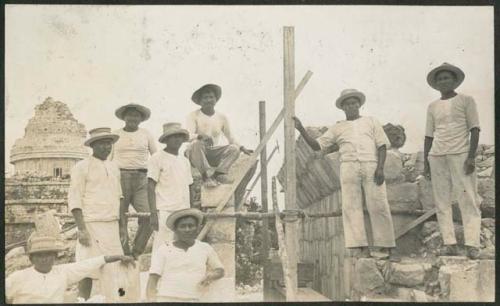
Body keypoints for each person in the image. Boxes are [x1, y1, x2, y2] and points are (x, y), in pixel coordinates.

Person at [293, 89, 400, 261]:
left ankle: (387, 246)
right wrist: (301, 129)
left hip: (371, 165)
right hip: (348, 167)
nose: (351, 106)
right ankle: (360, 247)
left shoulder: (371, 122)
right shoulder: (338, 127)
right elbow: (316, 145)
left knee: (379, 204)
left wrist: (380, 168)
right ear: (343, 108)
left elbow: (381, 146)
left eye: (354, 103)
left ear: (359, 104)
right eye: (347, 104)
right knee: (351, 206)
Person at [423, 63, 482, 259]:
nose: (443, 82)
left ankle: (472, 244)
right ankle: (449, 243)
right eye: (440, 79)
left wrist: (471, 156)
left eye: (447, 78)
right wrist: (426, 161)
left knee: (468, 198)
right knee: (441, 201)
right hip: (437, 155)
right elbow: (429, 136)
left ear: (454, 80)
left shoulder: (466, 100)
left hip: (461, 153)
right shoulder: (432, 106)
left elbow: (474, 129)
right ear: (436, 84)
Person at [68, 127, 127, 302]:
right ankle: (82, 301)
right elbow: (75, 199)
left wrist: (122, 227)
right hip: (91, 224)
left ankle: (117, 300)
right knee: (87, 269)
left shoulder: (114, 167)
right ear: (93, 145)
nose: (106, 147)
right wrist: (82, 229)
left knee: (115, 268)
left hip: (112, 224)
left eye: (109, 143)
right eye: (102, 143)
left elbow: (120, 198)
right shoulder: (81, 167)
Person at [6, 232, 134, 304]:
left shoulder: (62, 272)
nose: (44, 259)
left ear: (55, 257)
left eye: (48, 255)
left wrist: (119, 257)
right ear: (31, 259)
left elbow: (90, 263)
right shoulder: (18, 277)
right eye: (39, 256)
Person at [146, 208, 225, 302]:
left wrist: (210, 276)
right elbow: (152, 281)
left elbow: (220, 270)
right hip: (167, 298)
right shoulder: (164, 249)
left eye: (191, 226)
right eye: (182, 226)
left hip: (195, 299)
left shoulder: (205, 248)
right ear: (175, 229)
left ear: (197, 228)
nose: (187, 229)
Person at [111, 103, 157, 259]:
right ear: (124, 117)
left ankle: (136, 251)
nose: (132, 118)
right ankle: (124, 254)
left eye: (136, 115)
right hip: (120, 177)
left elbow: (155, 157)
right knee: (119, 218)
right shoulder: (116, 134)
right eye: (129, 115)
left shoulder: (146, 134)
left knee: (149, 215)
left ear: (141, 119)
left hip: (142, 178)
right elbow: (109, 159)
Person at [185, 84, 253, 188]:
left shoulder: (222, 117)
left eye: (211, 97)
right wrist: (200, 136)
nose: (208, 100)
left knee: (234, 149)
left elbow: (231, 137)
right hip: (196, 153)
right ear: (200, 101)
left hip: (212, 153)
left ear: (216, 100)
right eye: (205, 98)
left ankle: (218, 174)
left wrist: (242, 148)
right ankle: (206, 176)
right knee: (195, 144)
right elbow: (187, 135)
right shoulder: (193, 115)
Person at [148, 123, 194, 252]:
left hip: (183, 210)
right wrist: (153, 214)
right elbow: (150, 186)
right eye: (173, 137)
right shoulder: (157, 158)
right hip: (165, 210)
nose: (177, 139)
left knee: (182, 246)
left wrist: (191, 209)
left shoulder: (185, 161)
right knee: (162, 247)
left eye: (179, 136)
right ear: (166, 139)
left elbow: (190, 185)